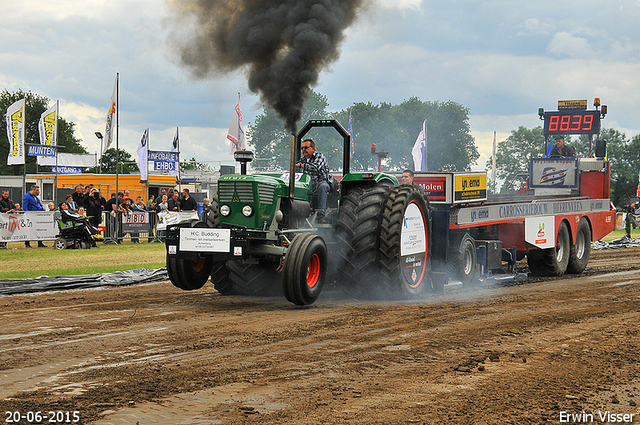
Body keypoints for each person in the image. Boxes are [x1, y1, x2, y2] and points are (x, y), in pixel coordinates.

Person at [297, 138, 330, 219]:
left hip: (320, 182)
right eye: (302, 148)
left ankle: (321, 213)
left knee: (323, 186)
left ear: (313, 148)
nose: (304, 150)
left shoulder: (320, 156)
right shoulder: (303, 160)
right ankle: (300, 212)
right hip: (309, 185)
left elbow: (316, 168)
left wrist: (301, 166)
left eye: (306, 147)